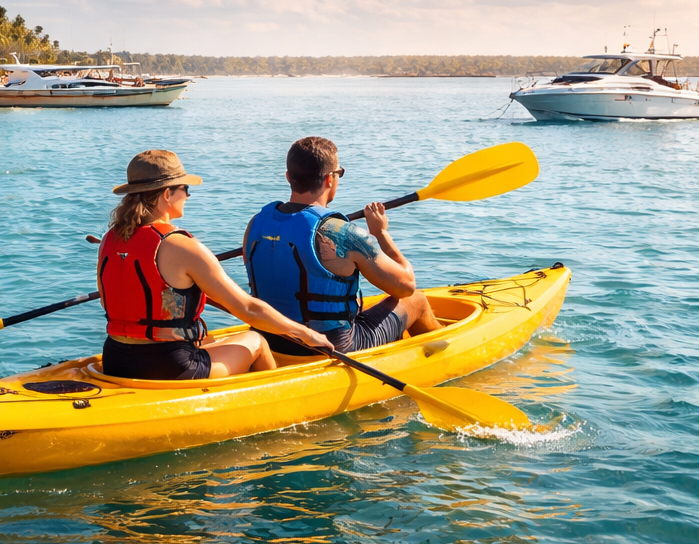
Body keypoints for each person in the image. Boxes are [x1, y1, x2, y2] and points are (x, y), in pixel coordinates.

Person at [96, 150, 332, 380]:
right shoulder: (182, 246)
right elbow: (249, 309)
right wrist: (306, 334)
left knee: (209, 340)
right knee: (257, 341)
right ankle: (276, 397)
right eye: (185, 189)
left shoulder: (109, 239)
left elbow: (112, 301)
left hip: (115, 360)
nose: (187, 196)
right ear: (167, 194)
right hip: (170, 367)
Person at [242, 137, 441, 361]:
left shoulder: (256, 224)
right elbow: (405, 286)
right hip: (331, 348)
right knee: (416, 301)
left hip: (268, 340)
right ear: (330, 178)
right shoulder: (342, 233)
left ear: (289, 177)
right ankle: (441, 358)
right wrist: (381, 234)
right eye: (339, 173)